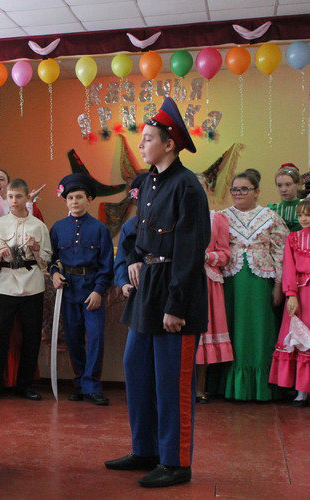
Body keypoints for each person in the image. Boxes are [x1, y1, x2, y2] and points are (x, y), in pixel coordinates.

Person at [104, 98, 210, 488]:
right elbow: (135, 234)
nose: (143, 144)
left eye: (149, 139)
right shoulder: (147, 183)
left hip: (174, 292)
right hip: (146, 289)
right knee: (137, 371)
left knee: (172, 381)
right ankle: (145, 449)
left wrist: (176, 305)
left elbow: (189, 248)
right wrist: (131, 258)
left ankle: (176, 461)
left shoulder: (188, 187)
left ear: (169, 144)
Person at [215, 171, 288, 402]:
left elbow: (281, 252)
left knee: (259, 331)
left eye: (244, 189)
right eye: (235, 189)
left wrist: (278, 285)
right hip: (230, 283)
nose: (238, 193)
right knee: (232, 330)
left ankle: (261, 386)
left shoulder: (271, 217)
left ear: (257, 191)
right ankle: (230, 385)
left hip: (260, 283)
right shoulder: (221, 217)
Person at [0, 178, 52, 402]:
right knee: (0, 335)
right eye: (11, 196)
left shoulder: (38, 226)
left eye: (18, 196)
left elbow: (46, 261)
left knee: (31, 337)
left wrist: (36, 248)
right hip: (7, 284)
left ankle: (25, 384)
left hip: (32, 284)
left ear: (26, 198)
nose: (14, 201)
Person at [49, 173, 114, 405]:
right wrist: (55, 273)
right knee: (74, 338)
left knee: (95, 337)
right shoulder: (57, 228)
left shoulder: (99, 229)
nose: (74, 201)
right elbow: (52, 259)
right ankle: (79, 383)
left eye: (79, 197)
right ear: (65, 201)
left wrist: (98, 291)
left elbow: (107, 265)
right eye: (70, 198)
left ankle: (92, 386)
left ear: (89, 199)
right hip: (68, 291)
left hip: (91, 289)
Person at [193, 174, 233, 403]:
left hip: (208, 282)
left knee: (204, 334)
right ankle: (180, 388)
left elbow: (225, 254)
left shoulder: (216, 219)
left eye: (201, 187)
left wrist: (207, 256)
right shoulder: (179, 216)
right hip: (183, 281)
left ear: (208, 190)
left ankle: (199, 388)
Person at [269, 198, 310, 407]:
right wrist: (291, 294)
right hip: (302, 295)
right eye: (301, 215)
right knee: (300, 338)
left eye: (308, 215)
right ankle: (301, 391)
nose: (303, 219)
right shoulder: (293, 239)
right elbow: (289, 269)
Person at [114, 174, 147, 298]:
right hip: (137, 289)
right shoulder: (129, 226)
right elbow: (121, 260)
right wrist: (123, 283)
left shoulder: (170, 222)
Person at [268, 163, 302, 232]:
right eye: (279, 185)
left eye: (288, 184)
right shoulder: (272, 210)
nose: (283, 189)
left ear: (298, 185)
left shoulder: (306, 206)